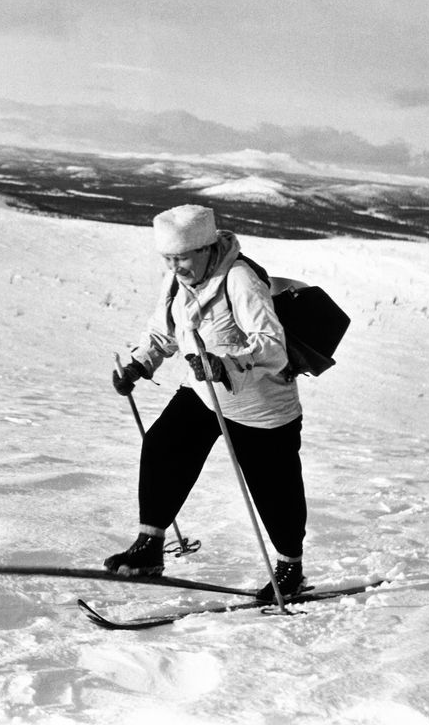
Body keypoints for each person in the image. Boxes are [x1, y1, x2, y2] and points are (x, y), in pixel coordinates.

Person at [107, 204, 307, 602]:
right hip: (205, 393)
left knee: (273, 489)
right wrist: (138, 363)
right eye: (168, 258)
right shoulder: (177, 283)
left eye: (181, 258)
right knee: (163, 445)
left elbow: (272, 346)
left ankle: (290, 569)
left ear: (205, 248)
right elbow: (163, 333)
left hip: (260, 405)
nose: (175, 267)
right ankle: (150, 545)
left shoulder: (240, 279)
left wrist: (224, 364)